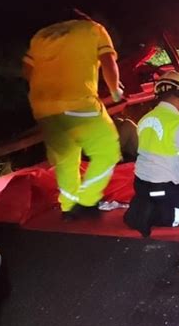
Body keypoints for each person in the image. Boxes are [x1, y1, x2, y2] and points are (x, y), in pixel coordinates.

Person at [23, 14, 123, 218]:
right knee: (108, 151)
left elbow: (27, 71)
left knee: (65, 158)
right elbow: (108, 61)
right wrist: (115, 91)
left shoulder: (41, 35)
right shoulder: (94, 29)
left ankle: (68, 207)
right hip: (78, 102)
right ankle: (87, 201)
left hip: (43, 108)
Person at [124, 71, 179, 237]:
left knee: (158, 197)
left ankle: (144, 206)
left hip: (141, 186)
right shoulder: (178, 124)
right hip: (163, 188)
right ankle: (154, 215)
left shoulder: (144, 119)